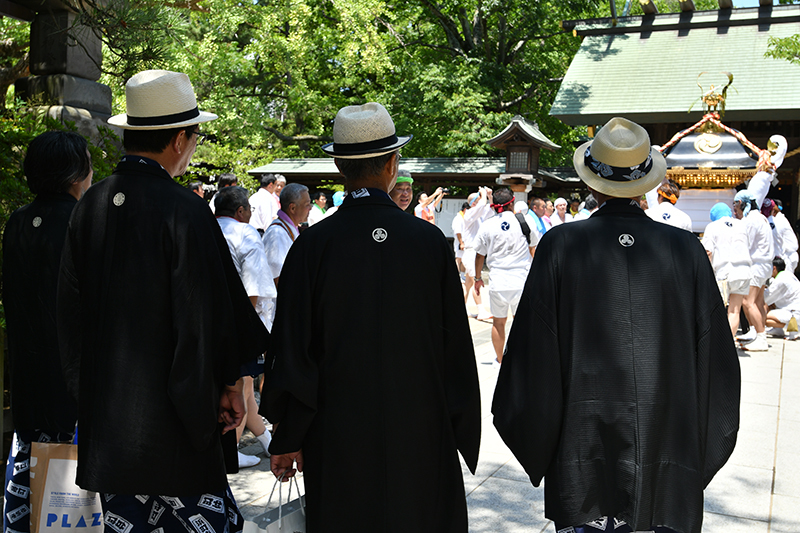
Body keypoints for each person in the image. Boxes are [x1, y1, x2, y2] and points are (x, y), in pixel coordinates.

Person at [492, 117, 740, 533]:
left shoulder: (562, 245)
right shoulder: (685, 250)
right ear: (647, 183)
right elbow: (715, 360)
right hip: (665, 446)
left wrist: (538, 438)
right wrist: (698, 451)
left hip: (582, 446)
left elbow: (533, 355)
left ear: (591, 184)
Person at [58, 70, 268, 532]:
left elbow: (69, 316)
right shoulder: (183, 209)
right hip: (174, 429)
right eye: (194, 137)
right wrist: (229, 388)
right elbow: (204, 317)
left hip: (110, 422)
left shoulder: (89, 205)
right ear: (179, 139)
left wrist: (87, 394)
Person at [261, 102, 480, 532]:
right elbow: (454, 345)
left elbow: (292, 349)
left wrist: (288, 436)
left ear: (339, 166)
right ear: (392, 165)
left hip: (337, 427)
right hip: (419, 424)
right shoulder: (428, 242)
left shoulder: (313, 245)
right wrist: (457, 424)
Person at [3, 131, 93, 533]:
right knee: (78, 503)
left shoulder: (17, 222)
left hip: (28, 382)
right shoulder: (84, 219)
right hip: (76, 388)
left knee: (33, 488)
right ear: (75, 172)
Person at [215, 186, 277, 468]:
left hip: (201, 321)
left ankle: (264, 440)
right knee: (239, 387)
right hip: (236, 321)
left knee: (243, 388)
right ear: (241, 211)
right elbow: (253, 285)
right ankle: (231, 450)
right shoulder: (245, 232)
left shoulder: (202, 227)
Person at [474, 187, 536, 367]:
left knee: (498, 323)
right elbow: (534, 248)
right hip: (522, 279)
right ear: (513, 201)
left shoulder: (488, 224)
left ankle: (500, 360)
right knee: (523, 323)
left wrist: (478, 278)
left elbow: (479, 255)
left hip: (498, 280)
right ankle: (523, 359)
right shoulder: (525, 222)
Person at [261, 182, 311, 331]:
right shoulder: (277, 233)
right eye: (307, 204)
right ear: (293, 208)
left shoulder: (289, 228)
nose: (310, 209)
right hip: (280, 311)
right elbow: (278, 278)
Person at [702, 202, 752, 338]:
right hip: (744, 272)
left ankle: (717, 344)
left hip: (724, 273)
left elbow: (708, 252)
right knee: (735, 310)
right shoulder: (741, 225)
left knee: (715, 310)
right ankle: (729, 345)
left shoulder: (713, 226)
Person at [734, 189, 774, 351]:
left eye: (736, 204)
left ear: (743, 204)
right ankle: (756, 333)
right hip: (765, 265)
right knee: (758, 302)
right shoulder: (762, 218)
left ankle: (761, 335)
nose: (735, 209)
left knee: (747, 302)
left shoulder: (750, 220)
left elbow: (745, 244)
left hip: (756, 265)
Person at [462, 187, 494, 319]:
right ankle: (481, 310)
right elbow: (483, 205)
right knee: (476, 279)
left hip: (474, 253)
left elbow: (491, 209)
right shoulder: (469, 213)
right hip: (470, 253)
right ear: (474, 202)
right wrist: (483, 194)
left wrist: (489, 196)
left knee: (468, 284)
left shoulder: (479, 216)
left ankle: (462, 308)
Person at [764, 256, 800, 340]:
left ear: (774, 268)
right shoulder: (788, 274)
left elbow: (766, 297)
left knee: (761, 318)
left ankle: (794, 327)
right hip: (794, 310)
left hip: (794, 314)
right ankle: (777, 330)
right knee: (768, 307)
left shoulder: (781, 279)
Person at [452, 201, 469, 275]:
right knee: (458, 259)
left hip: (465, 240)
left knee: (464, 259)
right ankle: (455, 275)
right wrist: (461, 243)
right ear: (465, 209)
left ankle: (462, 275)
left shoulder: (464, 217)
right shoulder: (458, 218)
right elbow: (458, 232)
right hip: (460, 241)